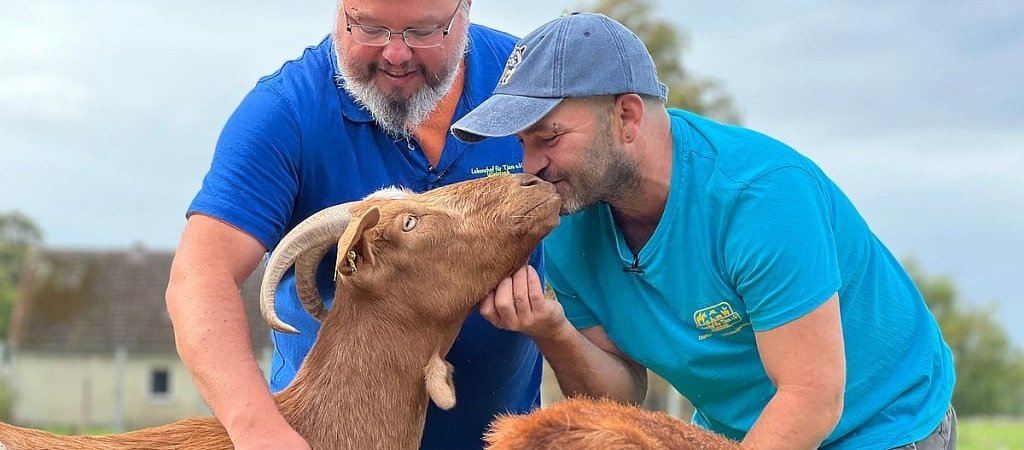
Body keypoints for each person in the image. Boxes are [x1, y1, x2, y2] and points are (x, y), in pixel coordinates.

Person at [451, 13, 956, 450]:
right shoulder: (567, 213)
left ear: (627, 115)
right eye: (522, 142)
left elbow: (811, 398)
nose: (530, 165)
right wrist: (552, 328)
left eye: (550, 137)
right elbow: (622, 395)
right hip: (737, 431)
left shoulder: (760, 197)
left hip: (880, 427)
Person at [165, 1, 545, 449]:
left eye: (423, 31)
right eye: (369, 27)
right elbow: (200, 278)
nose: (396, 54)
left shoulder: (528, 82)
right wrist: (259, 431)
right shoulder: (288, 112)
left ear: (464, 11)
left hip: (502, 439)